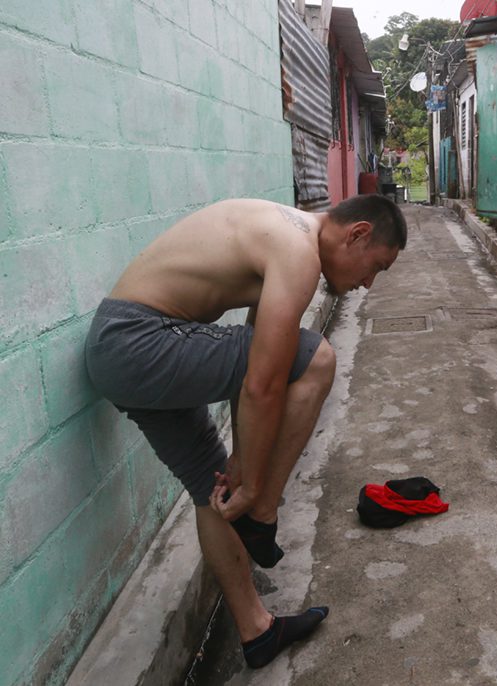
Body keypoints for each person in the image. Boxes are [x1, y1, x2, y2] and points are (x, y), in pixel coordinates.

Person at [85, 195, 407, 668]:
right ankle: (261, 517)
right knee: (317, 359)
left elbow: (256, 360)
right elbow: (263, 383)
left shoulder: (284, 234)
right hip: (140, 339)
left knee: (212, 486)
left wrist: (240, 461)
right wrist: (256, 489)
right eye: (374, 267)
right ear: (356, 234)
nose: (366, 284)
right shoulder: (298, 251)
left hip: (118, 352)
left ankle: (257, 631)